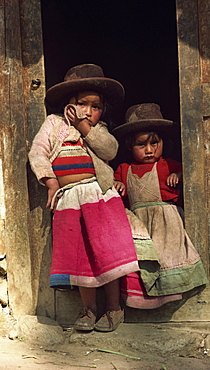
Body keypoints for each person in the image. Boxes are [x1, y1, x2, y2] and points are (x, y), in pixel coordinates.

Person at [28, 64, 139, 332]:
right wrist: (51, 181)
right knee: (79, 256)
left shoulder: (97, 129)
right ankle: (89, 309)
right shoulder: (54, 124)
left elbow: (110, 150)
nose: (88, 111)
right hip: (68, 200)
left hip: (98, 196)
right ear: (68, 104)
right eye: (81, 104)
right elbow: (38, 152)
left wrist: (85, 127)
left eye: (95, 106)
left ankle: (113, 308)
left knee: (106, 252)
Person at [113, 103, 207, 309]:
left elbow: (192, 171)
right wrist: (118, 184)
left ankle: (170, 293)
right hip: (140, 226)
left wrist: (179, 175)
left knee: (167, 256)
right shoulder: (124, 169)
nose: (149, 150)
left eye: (155, 143)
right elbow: (115, 188)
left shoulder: (168, 165)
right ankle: (139, 297)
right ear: (130, 146)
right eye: (141, 145)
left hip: (166, 223)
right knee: (141, 259)